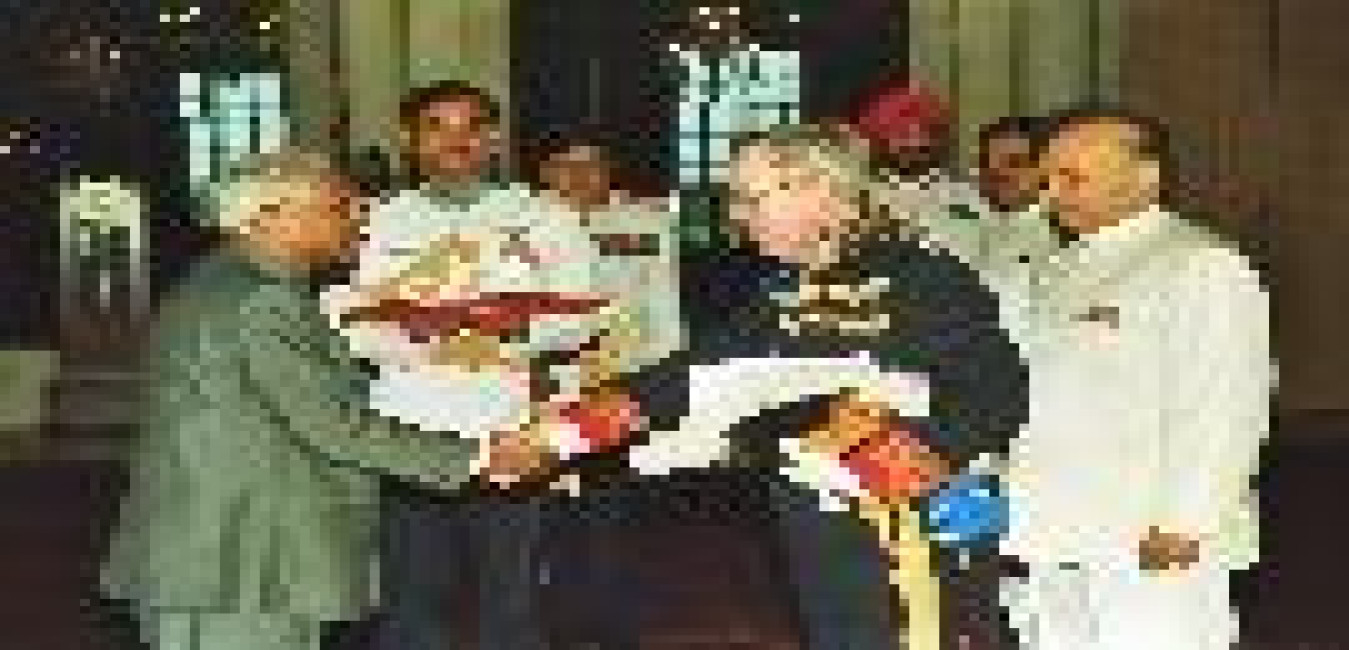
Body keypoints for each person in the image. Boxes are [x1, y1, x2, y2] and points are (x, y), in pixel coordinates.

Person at [99, 150, 550, 650]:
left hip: (227, 556)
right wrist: (479, 458)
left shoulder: (232, 281)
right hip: (242, 565)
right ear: (271, 215)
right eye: (338, 206)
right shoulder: (262, 301)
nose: (357, 218)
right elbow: (333, 423)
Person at [624, 123, 1028, 650]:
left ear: (822, 192)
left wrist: (922, 455)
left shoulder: (921, 278)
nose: (738, 216)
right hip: (818, 521)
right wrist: (570, 428)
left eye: (752, 199)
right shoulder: (786, 290)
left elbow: (998, 391)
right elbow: (692, 374)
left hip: (915, 524)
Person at [1000, 108, 1272, 650]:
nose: (1053, 194)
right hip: (1054, 525)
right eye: (1048, 179)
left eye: (1073, 178)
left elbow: (1226, 401)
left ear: (1146, 178)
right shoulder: (1055, 268)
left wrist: (1187, 521)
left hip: (1148, 533)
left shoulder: (1199, 264)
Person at [344, 81, 602, 650]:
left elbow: (583, 318)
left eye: (471, 128)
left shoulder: (545, 217)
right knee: (410, 603)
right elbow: (348, 322)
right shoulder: (374, 220)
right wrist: (427, 346)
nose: (455, 142)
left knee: (511, 602)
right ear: (411, 140)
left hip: (508, 433)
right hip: (406, 431)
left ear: (492, 140)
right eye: (436, 127)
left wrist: (510, 340)